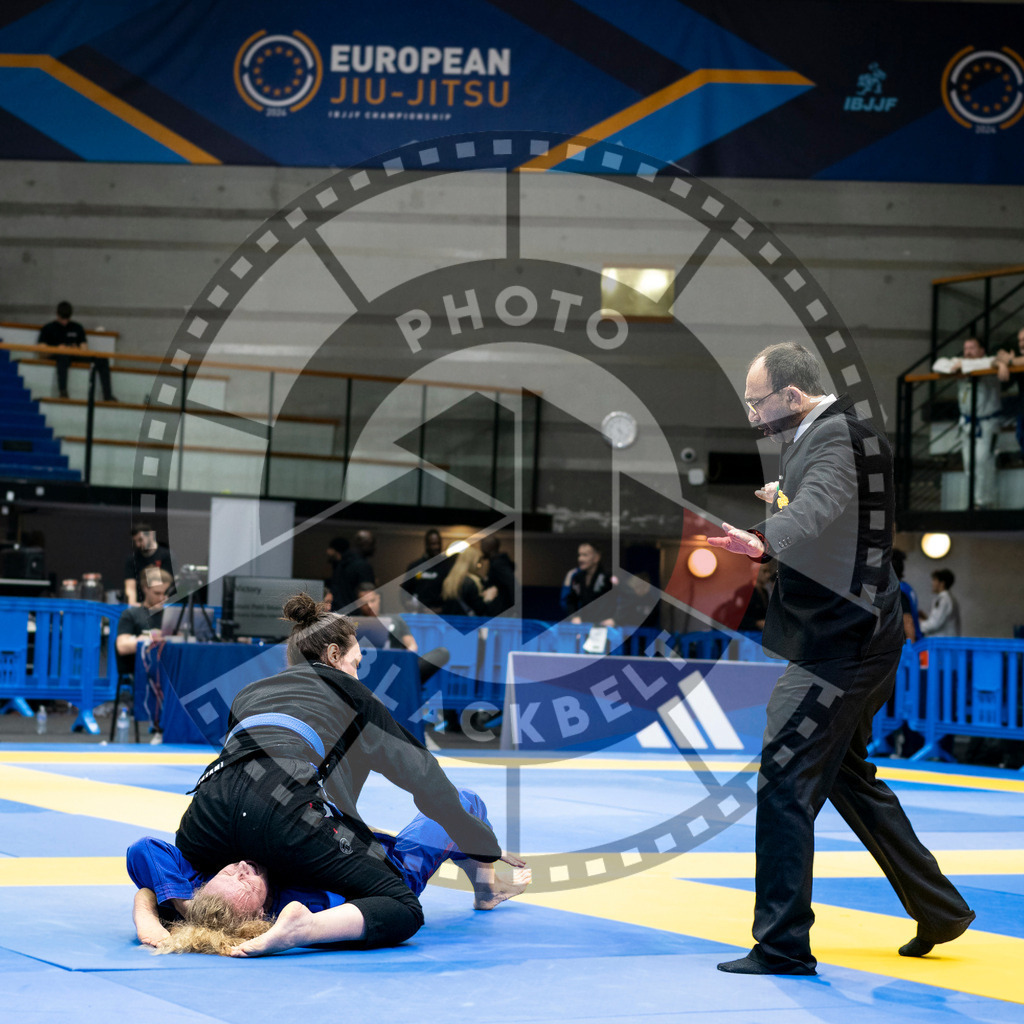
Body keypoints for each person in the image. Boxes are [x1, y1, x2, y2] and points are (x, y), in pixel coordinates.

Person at [707, 342, 973, 975]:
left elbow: (821, 506)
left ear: (793, 397)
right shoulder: (821, 437)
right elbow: (830, 513)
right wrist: (780, 500)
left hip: (841, 645)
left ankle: (782, 945)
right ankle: (940, 909)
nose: (751, 415)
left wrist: (765, 536)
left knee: (784, 778)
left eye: (757, 402)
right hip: (853, 637)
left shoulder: (837, 437)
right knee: (847, 779)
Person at [173, 593, 525, 952]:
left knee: (181, 865)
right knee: (403, 904)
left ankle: (176, 914)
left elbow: (252, 765)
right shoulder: (352, 694)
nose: (358, 674)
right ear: (333, 656)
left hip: (208, 811)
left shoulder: (248, 693)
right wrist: (483, 843)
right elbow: (425, 778)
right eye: (356, 663)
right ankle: (304, 929)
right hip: (282, 813)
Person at [128, 786, 526, 956]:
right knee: (463, 802)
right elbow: (359, 870)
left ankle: (483, 882)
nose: (243, 868)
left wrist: (158, 912)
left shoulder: (201, 894)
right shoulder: (299, 902)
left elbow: (144, 850)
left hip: (351, 851)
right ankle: (486, 889)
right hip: (390, 875)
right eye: (247, 882)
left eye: (230, 872)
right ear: (260, 912)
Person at [933, 337, 1001, 509]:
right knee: (969, 464)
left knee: (984, 462)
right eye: (966, 349)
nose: (968, 352)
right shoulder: (960, 366)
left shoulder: (988, 364)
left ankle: (985, 501)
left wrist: (963, 366)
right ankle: (973, 501)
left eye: (972, 348)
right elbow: (938, 365)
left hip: (987, 424)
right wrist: (959, 365)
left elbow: (992, 362)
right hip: (967, 424)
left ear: (981, 351)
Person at [36, 300, 116, 401]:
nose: (65, 322)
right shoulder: (48, 328)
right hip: (58, 355)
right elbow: (41, 349)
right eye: (62, 319)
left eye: (67, 318)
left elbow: (84, 348)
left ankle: (108, 395)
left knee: (103, 360)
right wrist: (58, 349)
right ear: (57, 315)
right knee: (63, 357)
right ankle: (63, 391)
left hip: (75, 354)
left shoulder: (77, 327)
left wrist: (75, 349)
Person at [115, 568, 172, 674]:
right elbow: (122, 647)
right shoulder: (131, 614)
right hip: (142, 671)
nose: (162, 598)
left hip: (167, 669)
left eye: (165, 593)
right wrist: (148, 639)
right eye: (157, 593)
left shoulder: (172, 616)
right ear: (145, 588)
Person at [560, 541, 615, 625]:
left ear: (596, 557)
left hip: (604, 626)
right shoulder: (577, 577)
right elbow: (571, 600)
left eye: (585, 555)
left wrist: (615, 619)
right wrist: (574, 616)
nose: (580, 559)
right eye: (579, 555)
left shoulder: (608, 576)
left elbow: (624, 599)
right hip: (584, 625)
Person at [401, 529, 452, 612]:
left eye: (438, 543)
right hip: (419, 614)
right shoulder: (415, 566)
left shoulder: (447, 567)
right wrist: (408, 604)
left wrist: (442, 609)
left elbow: (453, 594)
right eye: (433, 544)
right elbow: (404, 591)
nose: (436, 547)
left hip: (440, 615)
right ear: (427, 545)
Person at [124, 522, 173, 606]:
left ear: (150, 535)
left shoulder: (166, 556)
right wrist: (132, 605)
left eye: (140, 540)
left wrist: (160, 602)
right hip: (141, 604)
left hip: (162, 604)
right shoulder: (132, 559)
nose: (138, 544)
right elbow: (130, 587)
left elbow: (168, 586)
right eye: (135, 541)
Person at [439, 545, 497, 616]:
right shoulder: (471, 582)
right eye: (478, 562)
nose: (478, 566)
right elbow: (480, 611)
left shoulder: (449, 580)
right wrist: (488, 599)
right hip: (466, 624)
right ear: (472, 562)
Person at [325, 532, 376, 611]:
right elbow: (366, 596)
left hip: (338, 614)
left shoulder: (341, 564)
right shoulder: (362, 565)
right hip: (354, 616)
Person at [994, 327, 1024, 456]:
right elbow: (995, 357)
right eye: (1020, 340)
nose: (1022, 343)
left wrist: (1010, 361)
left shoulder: (1015, 361)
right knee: (1021, 436)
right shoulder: (1017, 357)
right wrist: (1001, 364)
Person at [479, 535, 516, 614]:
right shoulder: (495, 562)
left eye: (482, 546)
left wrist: (514, 609)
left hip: (501, 611)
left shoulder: (498, 563)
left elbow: (511, 583)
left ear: (488, 547)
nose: (481, 550)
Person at [891, 550, 922, 642]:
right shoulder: (906, 587)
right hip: (914, 639)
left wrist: (910, 650)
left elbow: (907, 620)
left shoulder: (898, 591)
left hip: (906, 643)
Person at [919, 568, 960, 637]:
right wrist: (925, 619)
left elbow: (935, 623)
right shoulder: (948, 598)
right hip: (946, 641)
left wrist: (917, 624)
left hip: (942, 643)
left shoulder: (944, 599)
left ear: (942, 583)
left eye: (935, 580)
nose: (932, 583)